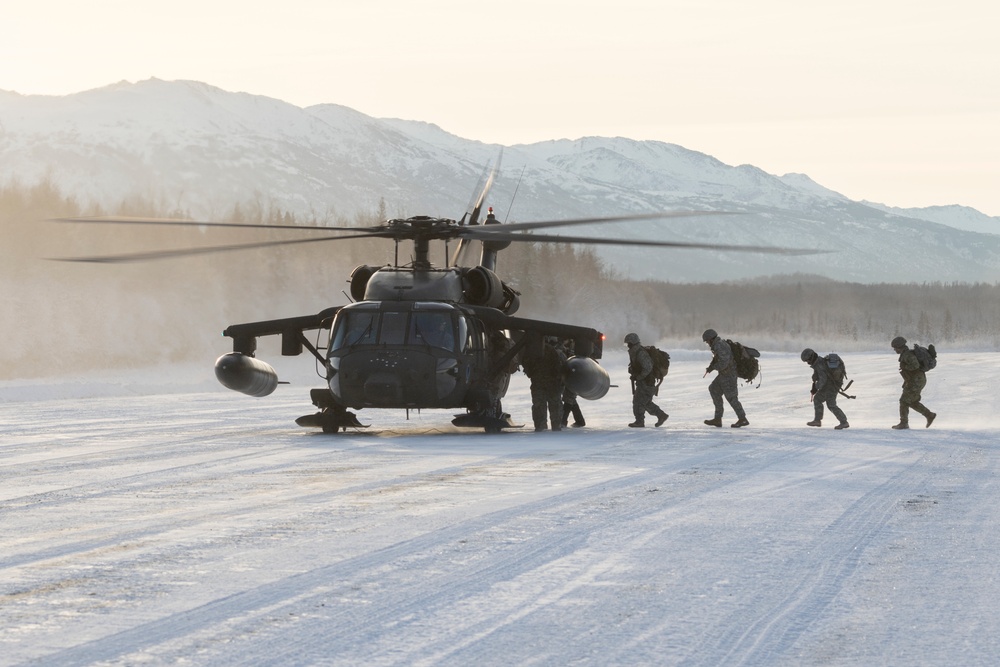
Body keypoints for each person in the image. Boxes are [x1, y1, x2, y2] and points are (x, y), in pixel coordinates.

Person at [702, 329, 749, 428]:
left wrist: (714, 367)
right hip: (724, 375)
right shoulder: (717, 345)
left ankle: (742, 419)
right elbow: (718, 360)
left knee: (732, 397)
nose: (707, 343)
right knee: (713, 389)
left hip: (729, 376)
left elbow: (724, 363)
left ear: (711, 339)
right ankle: (717, 419)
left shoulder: (720, 346)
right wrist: (711, 367)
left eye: (707, 341)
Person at [891, 336, 937, 429]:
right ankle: (929, 415)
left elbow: (915, 366)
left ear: (900, 347)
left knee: (904, 401)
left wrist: (905, 367)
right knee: (912, 402)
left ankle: (904, 423)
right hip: (915, 380)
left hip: (916, 380)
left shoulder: (908, 354)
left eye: (895, 348)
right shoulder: (905, 354)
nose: (895, 350)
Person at [522, 337, 567, 431]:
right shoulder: (554, 352)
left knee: (539, 405)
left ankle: (540, 426)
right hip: (552, 383)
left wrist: (532, 374)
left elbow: (526, 365)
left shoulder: (532, 350)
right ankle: (556, 426)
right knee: (555, 405)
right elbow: (558, 367)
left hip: (538, 383)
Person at [624, 333, 668, 428]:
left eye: (628, 343)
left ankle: (639, 421)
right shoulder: (635, 352)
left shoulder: (640, 353)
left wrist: (639, 377)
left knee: (638, 402)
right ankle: (661, 415)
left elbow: (648, 367)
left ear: (633, 343)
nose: (627, 345)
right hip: (645, 381)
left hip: (646, 382)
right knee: (645, 402)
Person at [800, 348, 849, 429]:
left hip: (831, 386)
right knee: (821, 400)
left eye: (808, 361)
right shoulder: (819, 362)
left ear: (811, 357)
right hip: (831, 385)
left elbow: (823, 379)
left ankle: (843, 422)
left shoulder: (819, 364)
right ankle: (818, 420)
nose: (808, 363)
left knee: (829, 404)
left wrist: (816, 388)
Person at [560, 339, 586, 428]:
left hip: (573, 376)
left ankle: (563, 421)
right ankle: (580, 421)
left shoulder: (574, 350)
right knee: (571, 399)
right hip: (570, 377)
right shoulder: (567, 349)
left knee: (569, 398)